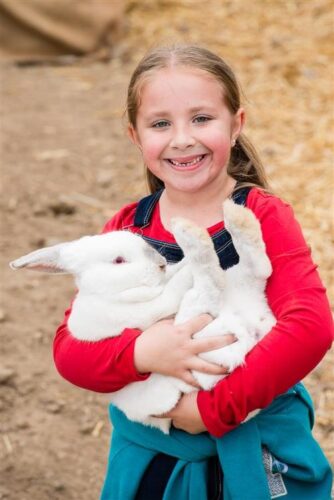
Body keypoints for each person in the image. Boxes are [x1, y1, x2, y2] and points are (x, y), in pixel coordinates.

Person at [53, 45, 333, 499]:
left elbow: (310, 327)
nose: (182, 139)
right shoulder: (127, 232)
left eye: (201, 118)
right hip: (155, 457)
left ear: (236, 124)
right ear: (135, 135)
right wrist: (142, 353)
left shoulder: (262, 216)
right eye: (161, 124)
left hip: (256, 443)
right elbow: (71, 350)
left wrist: (212, 409)